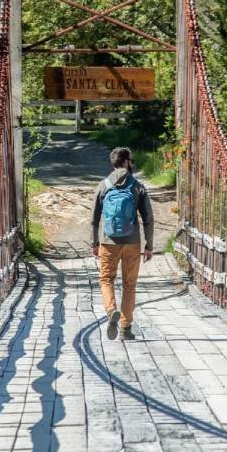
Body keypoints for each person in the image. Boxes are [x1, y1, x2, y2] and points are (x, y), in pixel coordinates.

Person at [90, 146, 154, 341]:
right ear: (126, 162)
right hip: (132, 241)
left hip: (108, 241)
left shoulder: (103, 185)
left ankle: (111, 311)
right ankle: (126, 329)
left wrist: (94, 242)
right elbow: (148, 218)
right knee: (129, 285)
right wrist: (149, 245)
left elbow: (94, 218)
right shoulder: (137, 186)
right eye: (131, 160)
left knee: (106, 279)